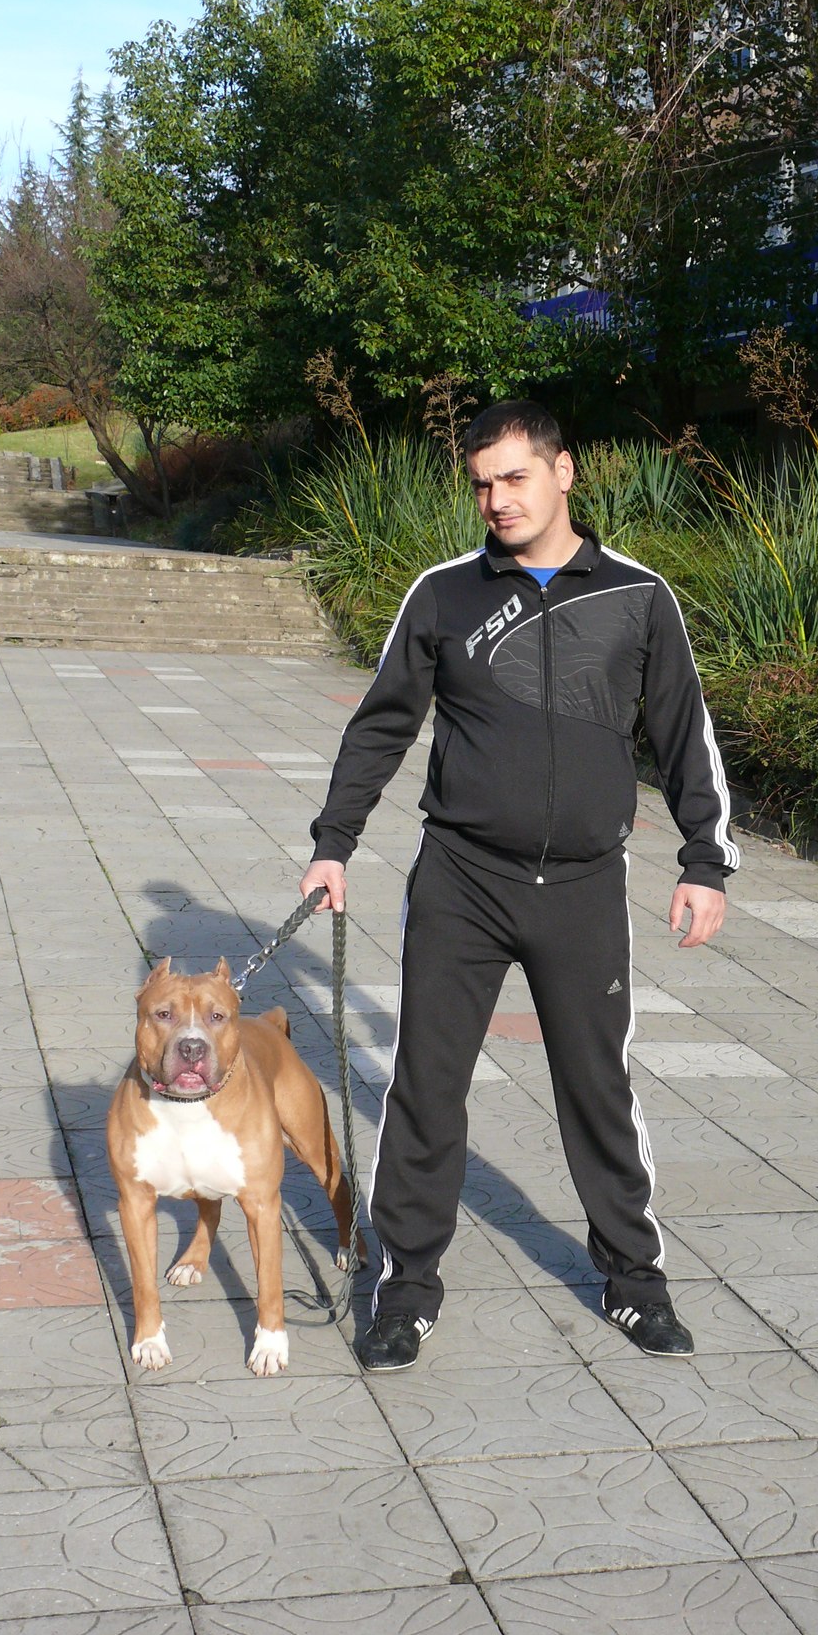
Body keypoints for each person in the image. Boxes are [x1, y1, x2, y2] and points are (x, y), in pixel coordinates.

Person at [301, 399, 737, 1371]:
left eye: (514, 477)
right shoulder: (445, 595)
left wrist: (705, 860)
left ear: (563, 472)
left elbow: (683, 732)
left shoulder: (638, 596)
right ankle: (405, 1290)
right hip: (462, 879)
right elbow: (382, 724)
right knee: (425, 1086)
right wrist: (335, 843)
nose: (497, 499)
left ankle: (635, 1284)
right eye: (482, 483)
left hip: (582, 887)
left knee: (597, 1086)